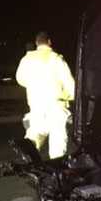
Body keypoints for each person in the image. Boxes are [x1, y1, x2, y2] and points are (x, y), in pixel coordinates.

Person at [15, 31, 75, 159]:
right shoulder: (56, 59)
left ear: (37, 43)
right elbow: (71, 86)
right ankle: (56, 169)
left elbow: (20, 79)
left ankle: (29, 158)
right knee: (57, 145)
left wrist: (34, 86)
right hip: (56, 108)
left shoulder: (27, 59)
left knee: (35, 135)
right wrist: (69, 96)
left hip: (36, 107)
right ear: (49, 42)